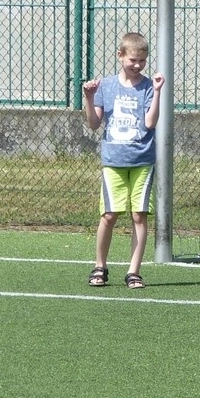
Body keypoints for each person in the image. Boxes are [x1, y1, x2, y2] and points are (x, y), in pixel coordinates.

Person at [82, 31, 164, 290]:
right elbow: (94, 124)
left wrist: (158, 91)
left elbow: (150, 122)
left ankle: (134, 271)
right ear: (120, 56)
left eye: (142, 60)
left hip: (142, 160)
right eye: (132, 60)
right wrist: (89, 96)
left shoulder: (149, 86)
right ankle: (100, 266)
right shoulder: (106, 85)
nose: (137, 65)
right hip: (114, 160)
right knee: (109, 214)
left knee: (139, 215)